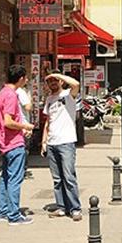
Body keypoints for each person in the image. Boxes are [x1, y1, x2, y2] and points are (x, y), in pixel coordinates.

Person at [0, 65, 35, 225]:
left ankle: (3, 211)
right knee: (15, 179)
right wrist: (25, 126)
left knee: (5, 177)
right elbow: (8, 121)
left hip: (5, 142)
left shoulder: (2, 92)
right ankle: (13, 215)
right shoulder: (11, 95)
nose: (26, 80)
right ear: (20, 79)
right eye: (25, 78)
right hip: (14, 142)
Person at [42, 70, 83, 221]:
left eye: (55, 80)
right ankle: (61, 207)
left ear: (60, 81)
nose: (52, 83)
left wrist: (57, 75)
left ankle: (75, 208)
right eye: (49, 81)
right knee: (57, 179)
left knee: (69, 177)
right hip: (52, 143)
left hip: (66, 142)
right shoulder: (49, 99)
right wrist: (44, 142)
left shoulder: (68, 95)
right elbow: (48, 121)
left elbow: (76, 84)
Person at [16, 81, 34, 180]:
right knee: (24, 150)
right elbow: (28, 107)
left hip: (17, 125)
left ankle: (19, 171)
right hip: (23, 124)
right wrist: (29, 98)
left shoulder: (11, 91)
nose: (27, 80)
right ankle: (21, 171)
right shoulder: (21, 91)